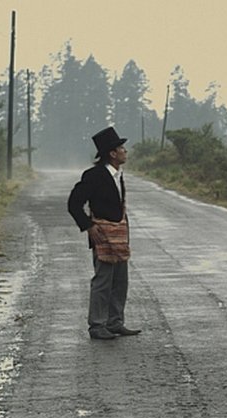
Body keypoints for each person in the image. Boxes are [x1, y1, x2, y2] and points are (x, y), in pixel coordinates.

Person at [68, 126, 142, 340]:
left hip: (119, 238)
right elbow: (74, 203)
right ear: (112, 153)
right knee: (103, 281)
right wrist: (89, 226)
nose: (125, 152)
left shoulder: (118, 175)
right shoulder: (94, 176)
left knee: (120, 281)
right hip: (103, 237)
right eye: (122, 148)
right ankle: (97, 325)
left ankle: (115, 322)